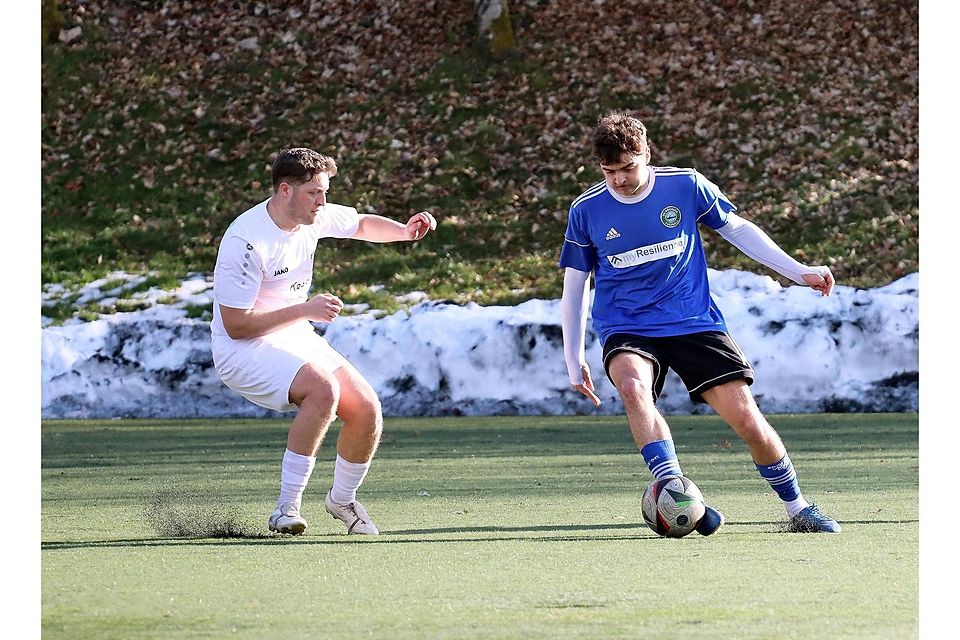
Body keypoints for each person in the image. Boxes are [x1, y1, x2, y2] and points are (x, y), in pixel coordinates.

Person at [559, 112, 840, 534]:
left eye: (627, 168)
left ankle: (798, 508)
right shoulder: (587, 209)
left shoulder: (685, 185)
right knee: (634, 389)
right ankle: (675, 492)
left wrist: (796, 270)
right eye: (609, 171)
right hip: (627, 325)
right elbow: (575, 283)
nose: (618, 180)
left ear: (646, 154)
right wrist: (572, 354)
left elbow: (738, 230)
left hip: (692, 321)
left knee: (748, 421)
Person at [211, 147, 436, 535]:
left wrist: (402, 231)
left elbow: (362, 224)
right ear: (285, 190)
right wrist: (305, 310)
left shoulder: (312, 214)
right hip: (240, 349)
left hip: (291, 333)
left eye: (325, 191)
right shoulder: (245, 241)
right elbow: (237, 326)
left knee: (366, 409)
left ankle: (342, 500)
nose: (323, 201)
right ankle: (286, 508)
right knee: (322, 389)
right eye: (315, 192)